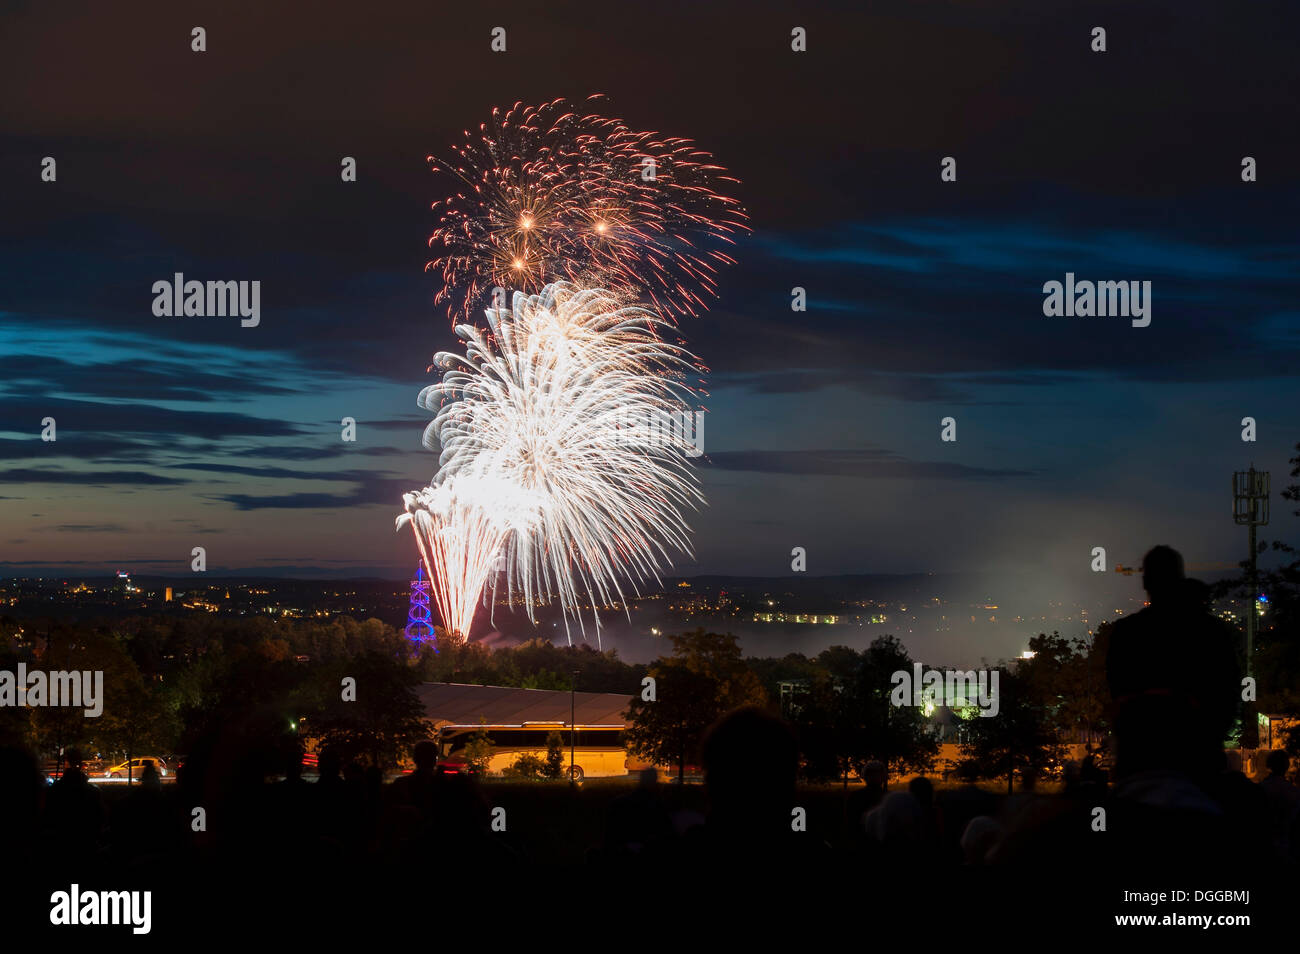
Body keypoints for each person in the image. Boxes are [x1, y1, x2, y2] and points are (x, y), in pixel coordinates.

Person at [1104, 546, 1239, 784]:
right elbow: (1227, 699)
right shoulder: (1211, 632)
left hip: (1140, 764)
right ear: (1181, 579)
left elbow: (1118, 694)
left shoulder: (1127, 633)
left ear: (1145, 583)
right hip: (1199, 764)